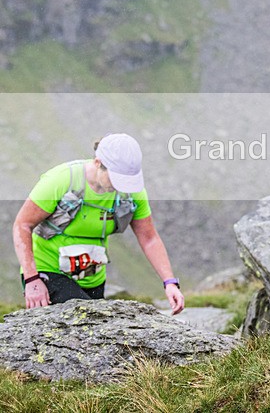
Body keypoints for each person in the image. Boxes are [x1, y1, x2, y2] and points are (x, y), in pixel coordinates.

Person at [12, 133, 185, 314]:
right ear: (98, 163)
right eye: (116, 179)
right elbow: (22, 225)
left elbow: (149, 238)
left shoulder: (132, 192)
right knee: (84, 325)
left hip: (92, 278)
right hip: (47, 271)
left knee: (95, 334)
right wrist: (32, 280)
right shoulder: (61, 180)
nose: (121, 187)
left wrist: (170, 282)